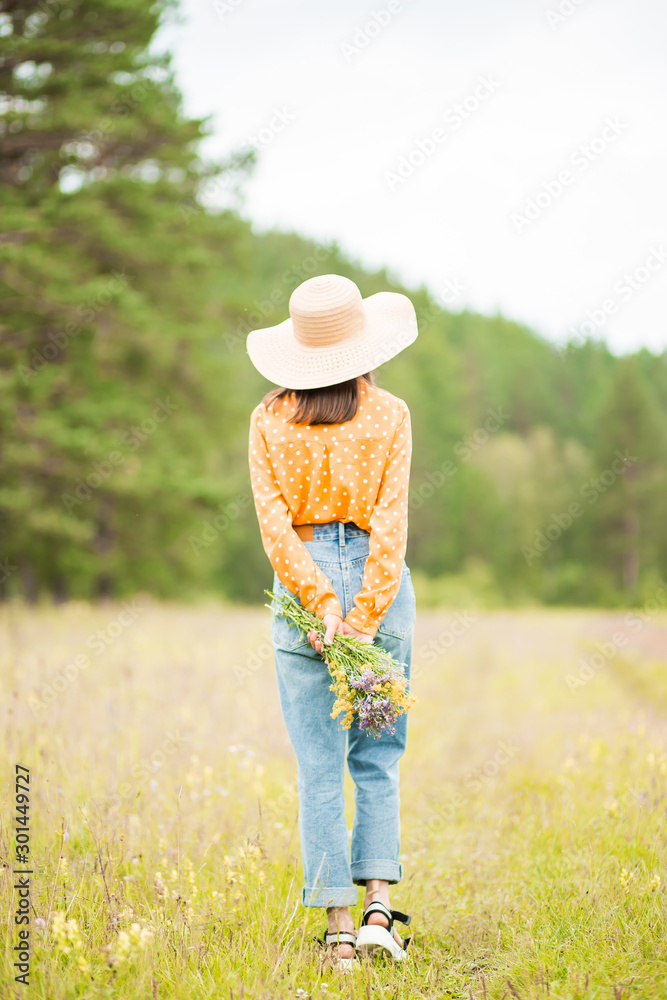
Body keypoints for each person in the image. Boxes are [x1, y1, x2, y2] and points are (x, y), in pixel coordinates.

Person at [246, 273, 418, 971]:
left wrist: (320, 603)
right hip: (376, 583)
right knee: (377, 757)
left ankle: (339, 933)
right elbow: (391, 521)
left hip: (302, 590)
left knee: (318, 765)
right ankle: (380, 907)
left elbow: (275, 528)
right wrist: (364, 614)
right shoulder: (390, 415)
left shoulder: (266, 419)